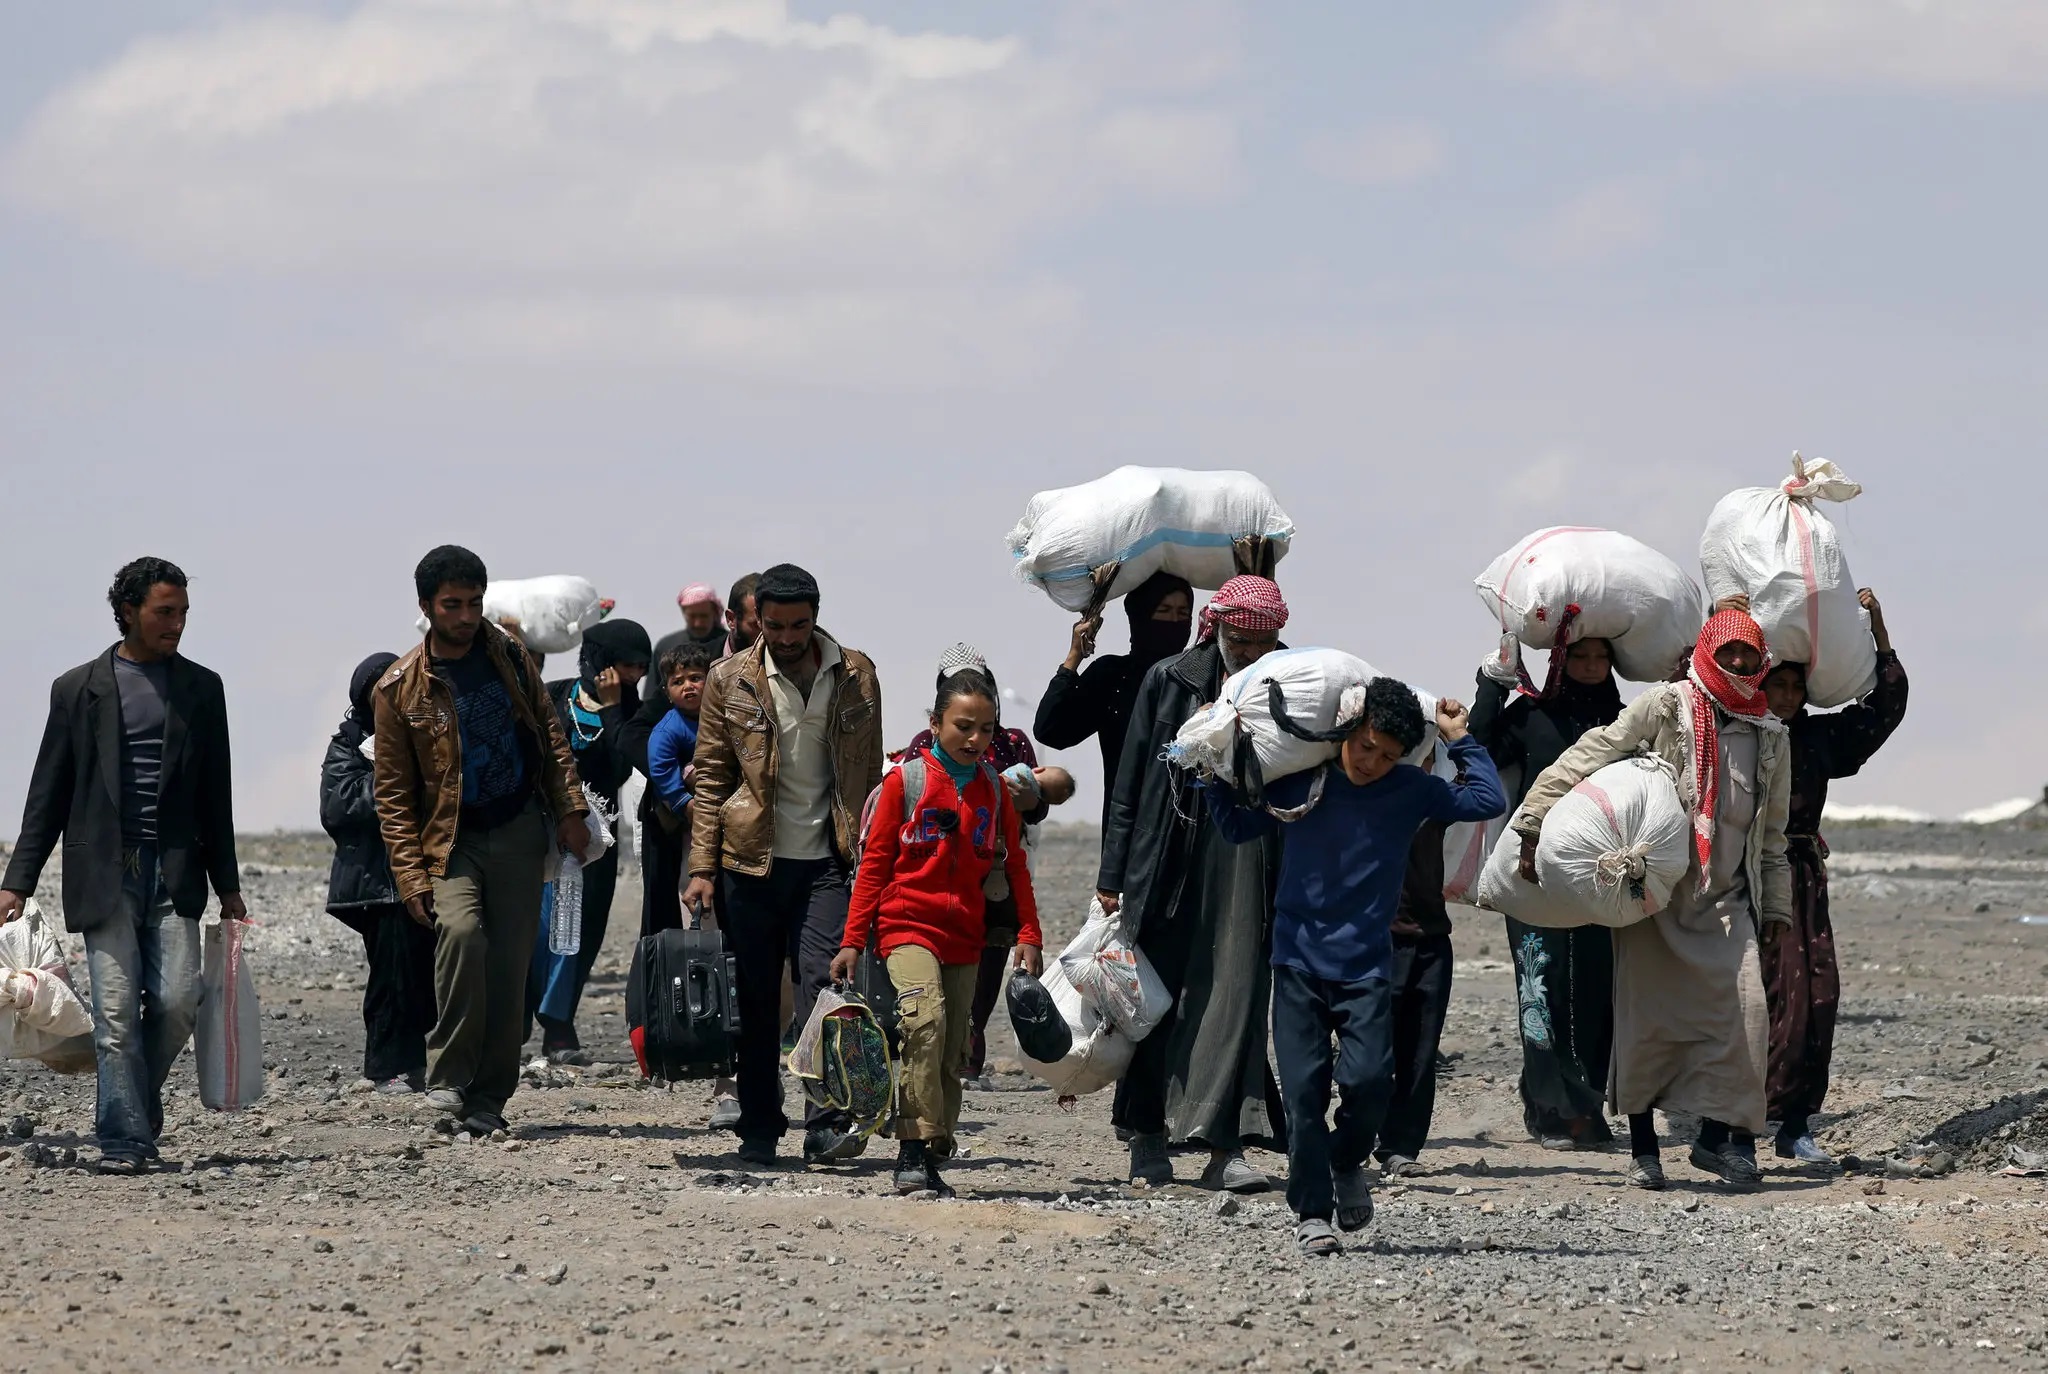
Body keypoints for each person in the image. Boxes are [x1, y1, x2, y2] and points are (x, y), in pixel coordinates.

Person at [1209, 681, 1505, 1255]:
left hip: (1366, 967)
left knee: (1370, 1084)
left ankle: (1346, 1162)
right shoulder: (1305, 782)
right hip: (1297, 962)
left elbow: (1487, 799)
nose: (1372, 762)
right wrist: (1212, 763)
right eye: (1367, 746)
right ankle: (1312, 1212)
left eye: (1388, 755)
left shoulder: (1411, 790)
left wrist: (1460, 738)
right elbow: (1237, 826)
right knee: (1303, 1095)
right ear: (1348, 730)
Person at [1513, 608, 1791, 1192]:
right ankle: (1644, 1149)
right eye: (1728, 650)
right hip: (1655, 898)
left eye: (1749, 652)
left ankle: (1723, 1141)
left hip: (1727, 903)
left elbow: (1771, 836)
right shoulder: (1667, 707)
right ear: (1708, 652)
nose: (1739, 661)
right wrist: (1534, 817)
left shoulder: (1770, 736)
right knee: (1648, 1024)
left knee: (1744, 1020)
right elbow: (1593, 752)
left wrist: (1778, 908)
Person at [0, 557, 247, 1174]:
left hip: (175, 871)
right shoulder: (77, 689)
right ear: (128, 611)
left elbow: (216, 795)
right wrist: (17, 882)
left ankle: (132, 1100)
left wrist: (229, 885)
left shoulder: (202, 688)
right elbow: (47, 792)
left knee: (178, 1001)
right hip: (104, 873)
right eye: (165, 612)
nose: (177, 624)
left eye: (183, 612)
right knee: (114, 1016)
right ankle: (124, 1139)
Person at [372, 545, 590, 1138]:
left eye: (474, 603)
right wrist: (410, 876)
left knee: (510, 966)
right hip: (451, 841)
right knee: (463, 935)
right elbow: (393, 795)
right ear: (426, 607)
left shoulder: (509, 655)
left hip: (517, 829)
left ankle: (490, 1096)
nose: (466, 616)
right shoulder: (399, 689)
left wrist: (570, 808)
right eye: (453, 605)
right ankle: (448, 1077)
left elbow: (549, 733)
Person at [683, 563, 885, 1168]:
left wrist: (871, 858)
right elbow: (712, 777)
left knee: (825, 986)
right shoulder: (729, 680)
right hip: (751, 863)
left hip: (828, 861)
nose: (788, 637)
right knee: (755, 998)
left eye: (798, 625)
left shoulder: (858, 674)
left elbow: (868, 775)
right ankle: (759, 1127)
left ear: (815, 618)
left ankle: (826, 1122)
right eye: (775, 626)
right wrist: (702, 867)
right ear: (756, 622)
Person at [1098, 574, 1291, 1192]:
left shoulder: (1291, 683)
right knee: (1154, 1003)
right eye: (1240, 639)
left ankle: (1224, 1147)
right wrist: (1112, 873)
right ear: (1218, 628)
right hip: (1167, 860)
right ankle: (1147, 1138)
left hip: (1247, 859)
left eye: (1262, 642)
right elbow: (1131, 782)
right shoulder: (1170, 679)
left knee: (1235, 999)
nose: (1249, 652)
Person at [833, 669, 1045, 1196]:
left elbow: (1014, 864)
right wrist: (852, 941)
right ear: (935, 724)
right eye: (963, 727)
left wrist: (1029, 933)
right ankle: (911, 1146)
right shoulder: (904, 784)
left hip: (965, 933)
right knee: (923, 1021)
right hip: (906, 924)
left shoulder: (993, 790)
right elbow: (874, 866)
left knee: (954, 1046)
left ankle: (933, 1146)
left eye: (986, 729)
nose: (975, 739)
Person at [1744, 589, 1907, 1167]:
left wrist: (1878, 631)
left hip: (1803, 878)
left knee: (1819, 994)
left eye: (1796, 687)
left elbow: (1885, 708)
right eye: (1777, 686)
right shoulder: (1737, 734)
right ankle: (1739, 1122)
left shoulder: (1817, 738)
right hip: (1749, 879)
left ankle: (1794, 1124)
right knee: (1769, 996)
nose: (1787, 697)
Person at [1469, 634, 1625, 1151]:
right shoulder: (1532, 716)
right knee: (1540, 986)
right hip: (1531, 872)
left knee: (1596, 995)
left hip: (1602, 876)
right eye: (1580, 656)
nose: (1591, 665)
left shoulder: (1624, 724)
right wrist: (1492, 685)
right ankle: (1551, 1112)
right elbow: (1481, 747)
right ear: (1561, 659)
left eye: (1601, 657)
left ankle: (1586, 1105)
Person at [894, 644, 1075, 1085]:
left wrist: (1024, 794)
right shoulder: (923, 746)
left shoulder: (1012, 742)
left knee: (989, 959)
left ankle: (968, 1057)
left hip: (995, 873)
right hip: (935, 876)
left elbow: (1038, 805)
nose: (974, 737)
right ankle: (937, 1057)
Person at [528, 618, 653, 1062]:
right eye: (626, 665)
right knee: (536, 928)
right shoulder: (554, 696)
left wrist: (615, 707)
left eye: (641, 667)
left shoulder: (635, 712)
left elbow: (621, 767)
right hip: (543, 831)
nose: (634, 674)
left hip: (596, 842)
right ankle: (519, 1018)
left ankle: (558, 1024)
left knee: (580, 931)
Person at [321, 651, 436, 1093]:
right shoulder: (349, 744)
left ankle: (418, 1062)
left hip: (423, 875)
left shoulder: (428, 730)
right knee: (392, 976)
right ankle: (388, 1067)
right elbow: (339, 806)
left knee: (425, 973)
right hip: (378, 883)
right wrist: (397, 777)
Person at [624, 573, 761, 937]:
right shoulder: (698, 664)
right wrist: (683, 780)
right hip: (683, 825)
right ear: (732, 620)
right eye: (758, 623)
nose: (769, 634)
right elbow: (635, 734)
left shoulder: (790, 663)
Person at [1034, 571, 1193, 825]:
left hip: (1188, 825)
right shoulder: (1113, 676)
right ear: (1140, 616)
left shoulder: (1197, 678)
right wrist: (1073, 657)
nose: (1174, 621)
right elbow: (1050, 730)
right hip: (1126, 827)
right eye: (1164, 611)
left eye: (1183, 613)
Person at [1373, 818, 1458, 1179]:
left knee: (1420, 1057)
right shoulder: (1360, 798)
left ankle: (1401, 1147)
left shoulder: (1432, 800)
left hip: (1430, 940)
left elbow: (1489, 800)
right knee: (1369, 1053)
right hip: (1374, 941)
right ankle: (1356, 1136)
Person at [653, 582, 727, 664]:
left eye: (704, 616)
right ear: (683, 613)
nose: (698, 624)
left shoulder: (729, 644)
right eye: (692, 616)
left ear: (714, 613)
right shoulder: (666, 646)